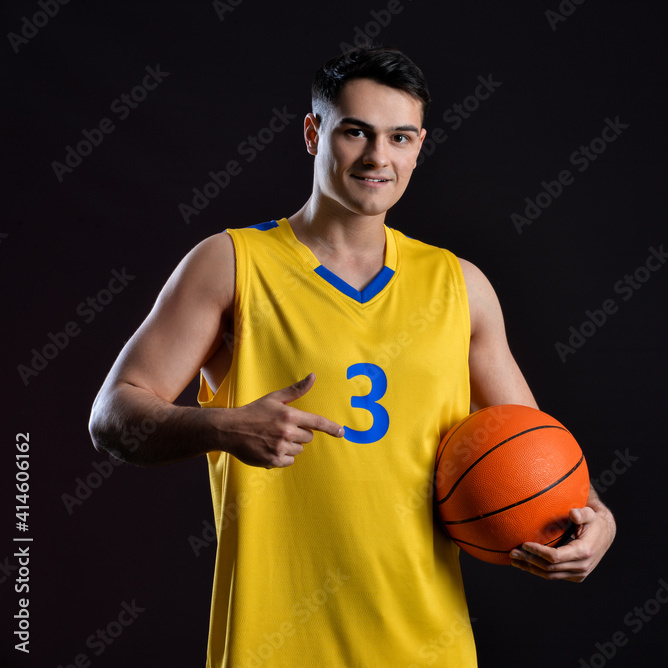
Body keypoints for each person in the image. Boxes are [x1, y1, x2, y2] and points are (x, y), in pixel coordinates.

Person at [89, 46, 616, 666]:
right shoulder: (232, 264)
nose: (377, 157)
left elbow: (536, 450)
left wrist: (596, 521)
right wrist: (222, 426)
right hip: (274, 646)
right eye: (356, 132)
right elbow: (112, 417)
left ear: (420, 145)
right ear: (314, 133)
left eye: (399, 137)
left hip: (428, 647)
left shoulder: (461, 286)